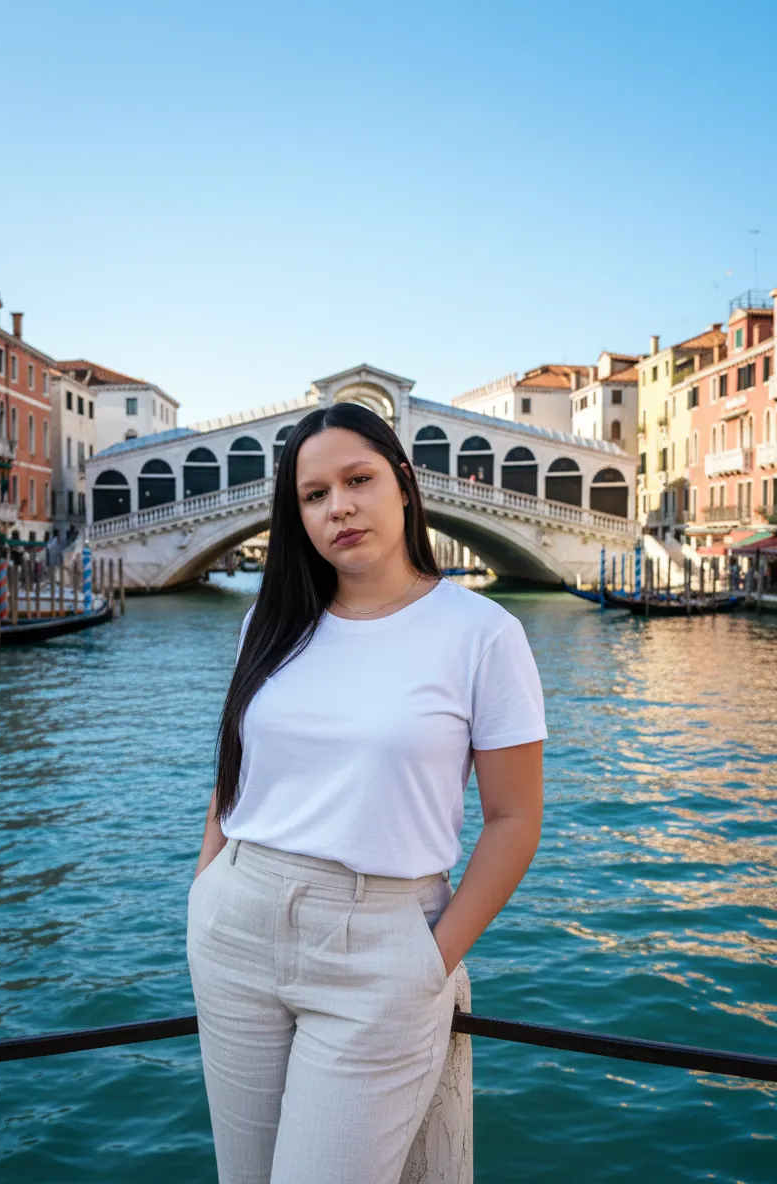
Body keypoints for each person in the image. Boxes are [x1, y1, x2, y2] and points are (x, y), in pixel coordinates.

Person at [186, 401, 547, 1183]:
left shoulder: (482, 633)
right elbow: (233, 769)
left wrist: (430, 960)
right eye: (314, 496)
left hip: (383, 947)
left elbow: (515, 820)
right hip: (236, 927)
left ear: (405, 486)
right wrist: (206, 883)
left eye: (358, 480)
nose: (338, 507)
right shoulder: (270, 622)